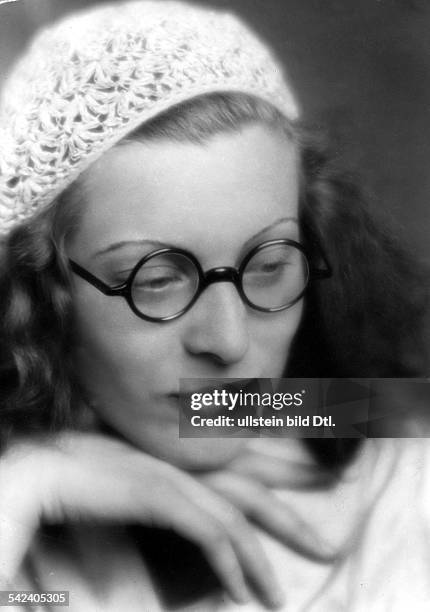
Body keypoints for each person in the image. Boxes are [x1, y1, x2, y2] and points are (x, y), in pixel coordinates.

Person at [0, 1, 429, 610]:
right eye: (156, 280)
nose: (228, 342)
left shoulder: (396, 465)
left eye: (269, 265)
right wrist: (26, 483)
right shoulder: (24, 538)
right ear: (41, 294)